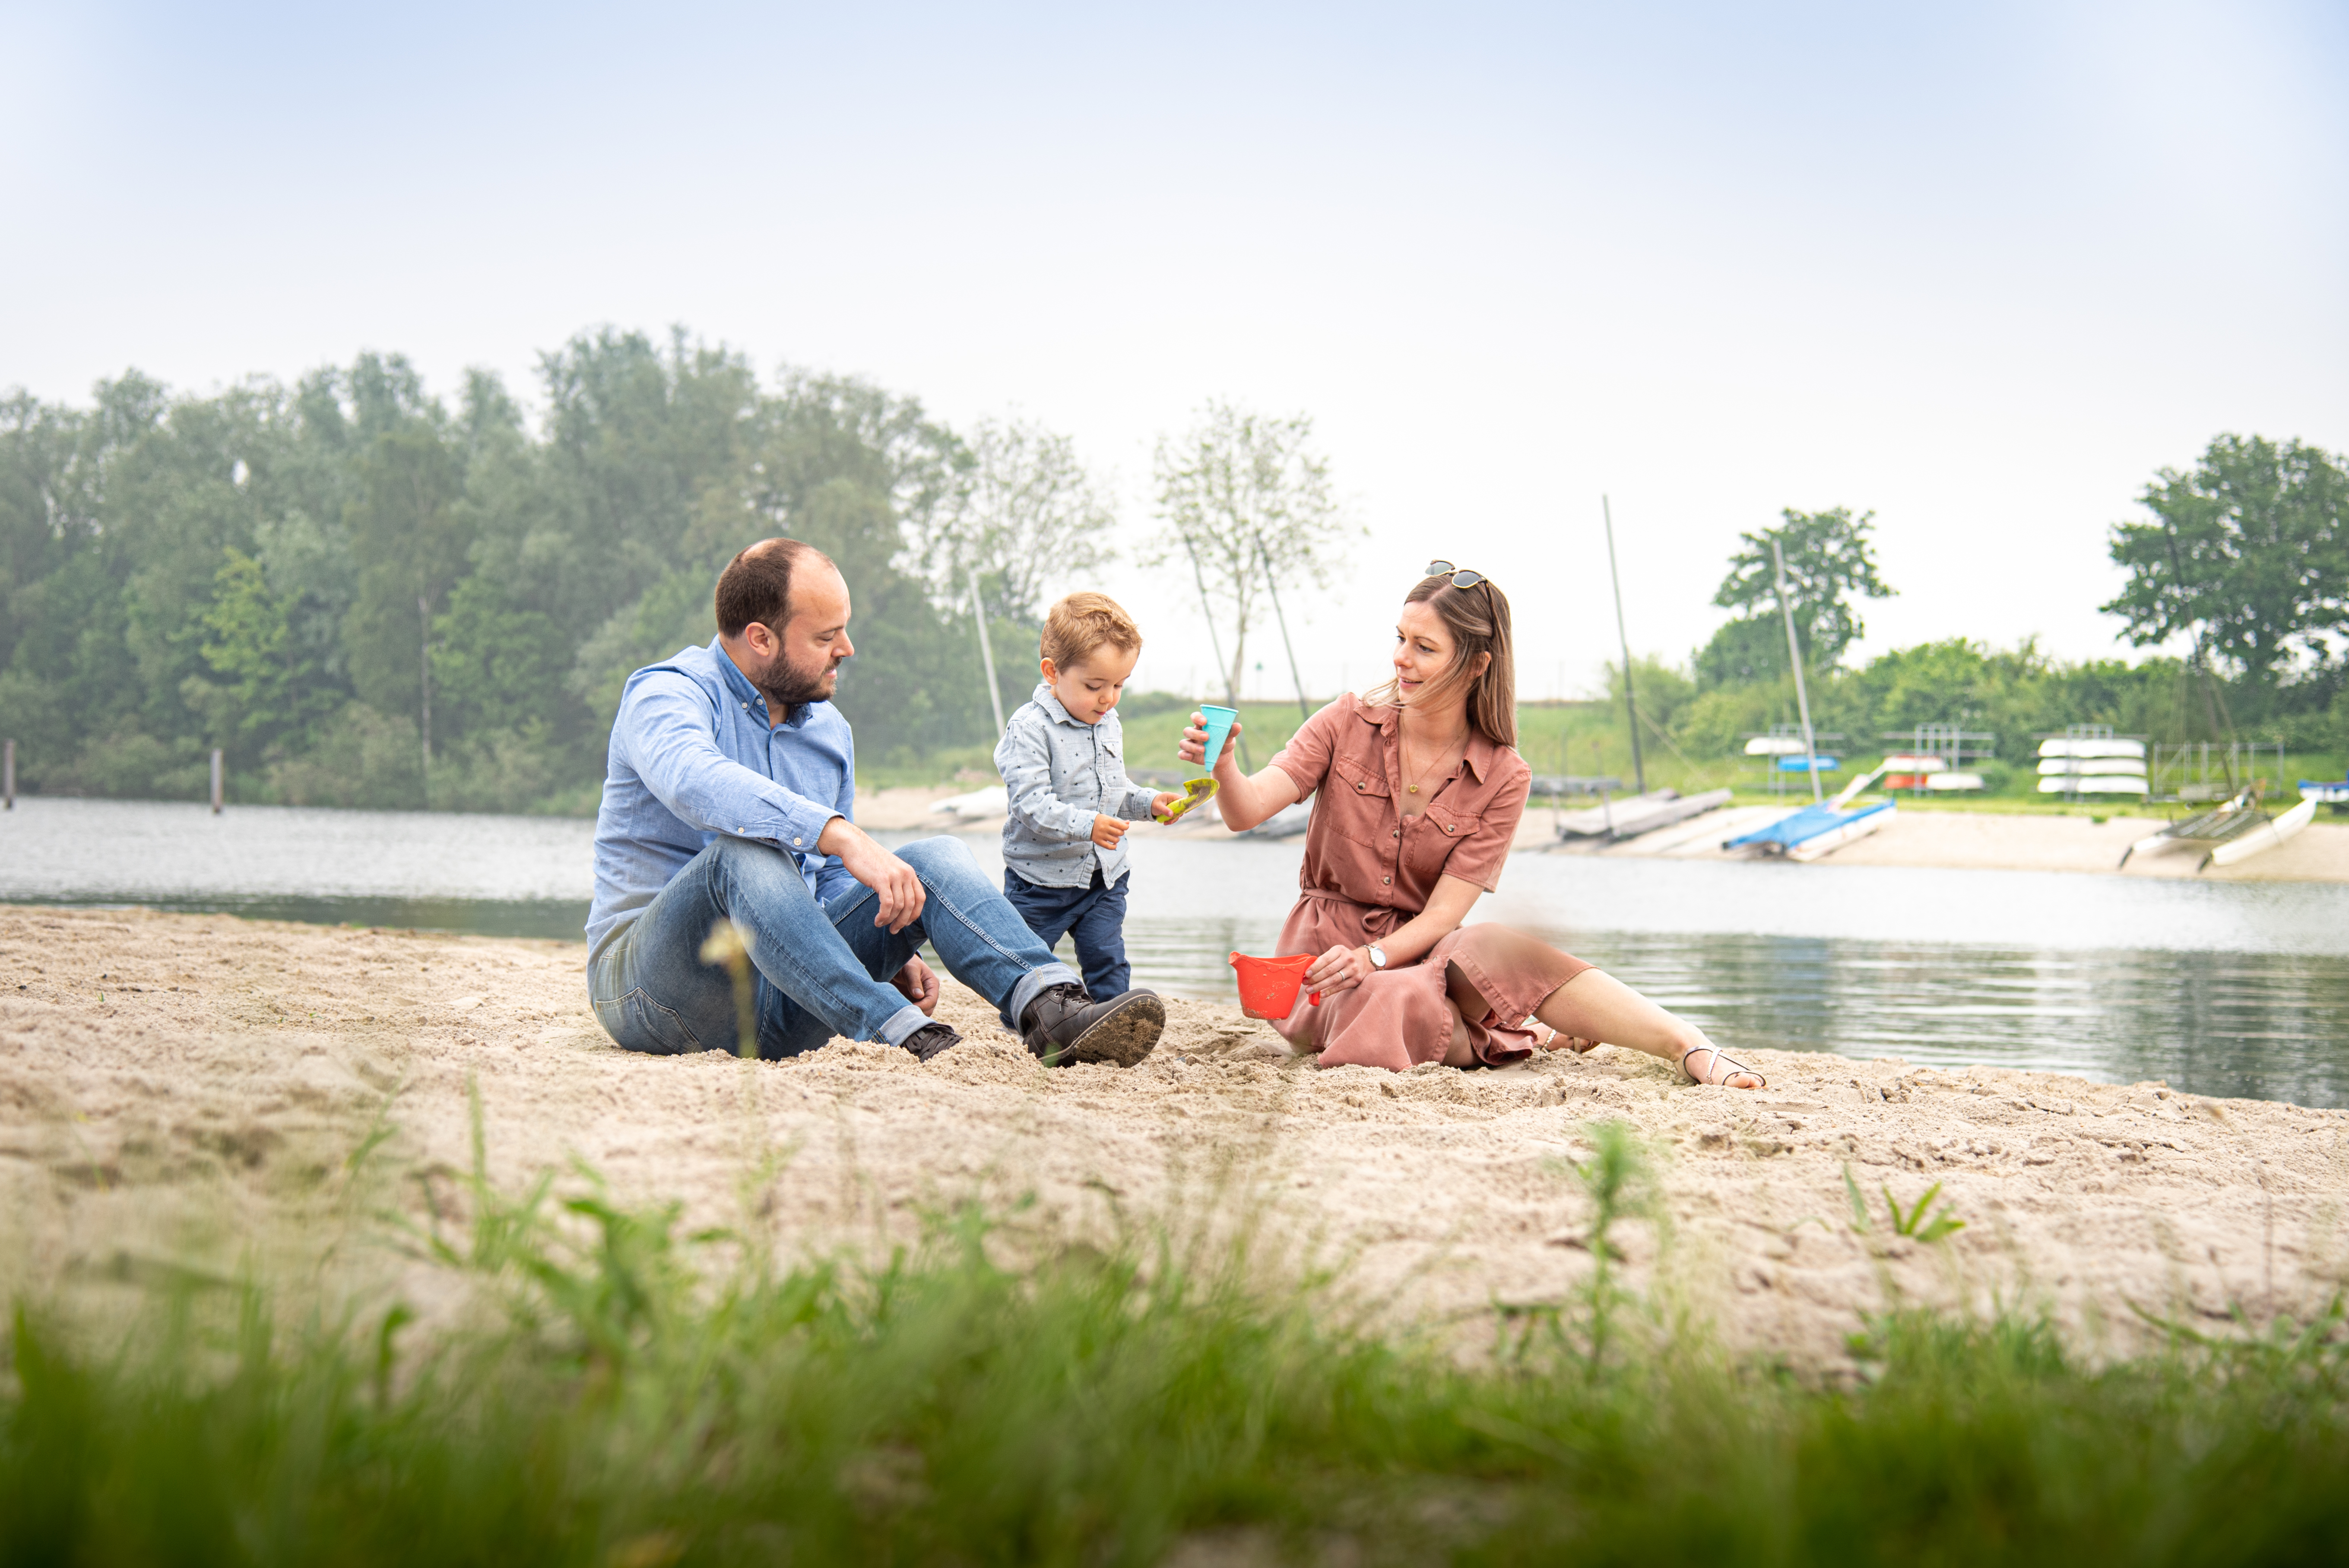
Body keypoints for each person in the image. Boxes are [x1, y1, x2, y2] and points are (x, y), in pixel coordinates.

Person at [586, 538, 1167, 1068]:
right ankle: (895, 1029)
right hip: (655, 993)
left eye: (843, 629)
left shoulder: (828, 731)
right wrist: (837, 831)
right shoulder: (666, 693)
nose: (847, 648)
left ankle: (1051, 1007)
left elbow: (831, 879)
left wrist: (886, 936)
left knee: (935, 856)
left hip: (789, 994)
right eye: (825, 637)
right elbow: (692, 778)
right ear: (761, 638)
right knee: (745, 851)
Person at [1180, 561, 1766, 1087]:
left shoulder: (1504, 775)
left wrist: (1377, 955)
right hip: (1327, 965)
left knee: (1493, 945)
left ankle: (1686, 1042)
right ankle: (1516, 1037)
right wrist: (1224, 765)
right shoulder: (1344, 721)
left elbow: (1443, 916)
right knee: (1394, 999)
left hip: (1423, 953)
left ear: (1476, 663)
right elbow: (1245, 811)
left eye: (1424, 647)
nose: (1401, 658)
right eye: (1400, 638)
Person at [994, 593, 1180, 999]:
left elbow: (1112, 791)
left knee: (1106, 955)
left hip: (1103, 875)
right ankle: (1024, 1019)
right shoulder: (1030, 728)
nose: (1108, 697)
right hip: (1040, 881)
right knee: (1026, 964)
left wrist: (1149, 803)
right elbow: (1030, 804)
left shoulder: (1108, 722)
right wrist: (1088, 825)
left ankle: (1116, 1016)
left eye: (1119, 685)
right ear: (1052, 672)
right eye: (1095, 686)